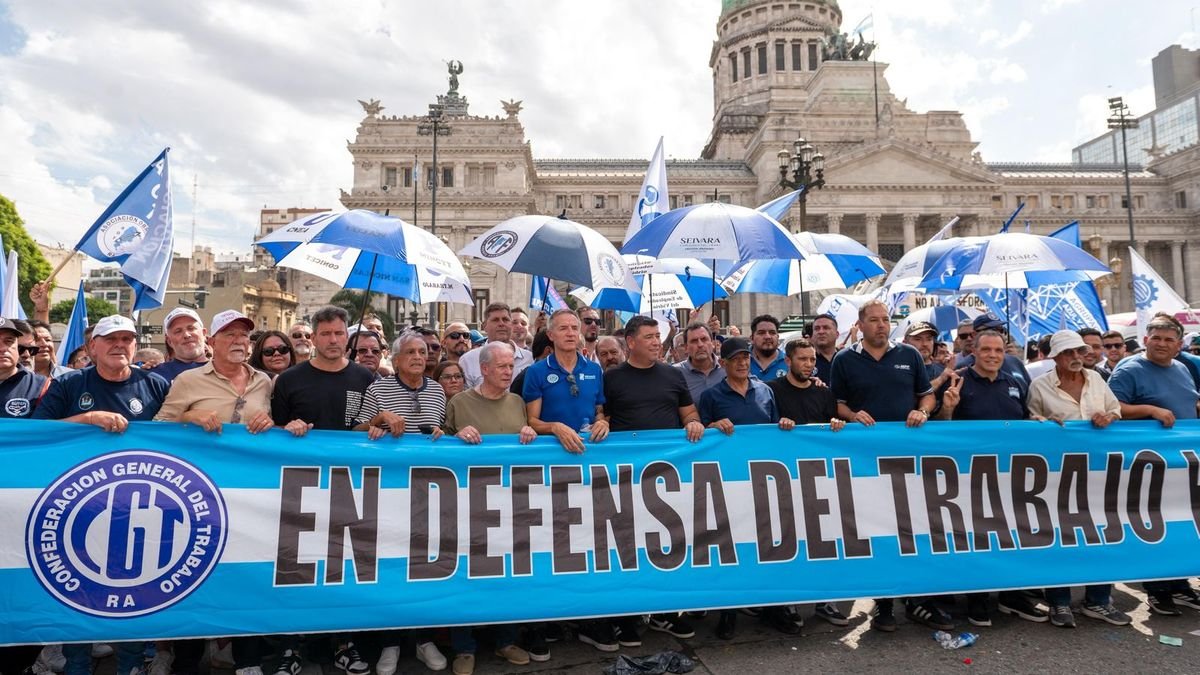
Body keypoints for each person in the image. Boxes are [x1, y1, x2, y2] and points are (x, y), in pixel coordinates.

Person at [32, 315, 169, 675]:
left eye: (127, 339)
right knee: (78, 591)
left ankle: (132, 665)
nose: (120, 345)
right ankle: (77, 665)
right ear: (92, 346)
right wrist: (87, 419)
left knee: (138, 593)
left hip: (140, 511)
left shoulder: (154, 385)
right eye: (110, 339)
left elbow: (178, 436)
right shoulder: (69, 384)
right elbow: (36, 434)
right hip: (78, 508)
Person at [153, 310, 274, 674]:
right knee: (196, 576)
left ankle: (248, 660)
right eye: (230, 335)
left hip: (250, 498)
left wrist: (272, 424)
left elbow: (273, 428)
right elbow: (158, 427)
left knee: (247, 577)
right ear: (212, 342)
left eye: (244, 336)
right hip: (199, 499)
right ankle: (188, 661)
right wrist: (189, 417)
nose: (239, 341)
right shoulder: (188, 381)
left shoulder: (264, 381)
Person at [829, 300, 944, 633]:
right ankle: (884, 604)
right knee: (879, 531)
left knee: (913, 529)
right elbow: (837, 404)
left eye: (886, 320)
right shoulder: (844, 359)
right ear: (861, 325)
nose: (881, 325)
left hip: (908, 457)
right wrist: (851, 415)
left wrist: (922, 411)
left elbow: (927, 396)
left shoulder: (908, 355)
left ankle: (917, 600)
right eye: (874, 320)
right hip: (866, 460)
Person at [937, 330, 1049, 627]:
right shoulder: (957, 380)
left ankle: (1012, 596)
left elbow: (1021, 419)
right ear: (973, 350)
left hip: (1008, 476)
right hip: (969, 477)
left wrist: (1035, 422)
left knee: (1011, 537)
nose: (992, 355)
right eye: (986, 349)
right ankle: (978, 599)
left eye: (998, 350)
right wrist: (947, 409)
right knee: (975, 540)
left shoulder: (1013, 382)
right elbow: (938, 430)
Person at [603, 315, 704, 644]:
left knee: (667, 544)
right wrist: (600, 421)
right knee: (628, 546)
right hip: (624, 476)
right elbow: (600, 414)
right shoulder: (612, 378)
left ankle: (664, 612)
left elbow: (688, 412)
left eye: (658, 336)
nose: (656, 341)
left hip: (665, 477)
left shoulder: (673, 375)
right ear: (630, 342)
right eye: (648, 336)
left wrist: (693, 423)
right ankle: (627, 617)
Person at [521, 309, 611, 656]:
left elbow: (600, 411)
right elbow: (531, 420)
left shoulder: (594, 370)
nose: (572, 333)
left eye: (576, 327)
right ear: (551, 335)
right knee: (551, 542)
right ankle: (543, 623)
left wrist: (604, 423)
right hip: (550, 471)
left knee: (588, 542)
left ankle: (588, 620)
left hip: (588, 470)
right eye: (564, 328)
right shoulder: (536, 373)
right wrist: (556, 427)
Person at [1025, 330, 1129, 628]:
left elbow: (1115, 409)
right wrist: (1041, 424)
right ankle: (1059, 602)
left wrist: (1109, 417)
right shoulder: (1040, 386)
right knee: (1060, 535)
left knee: (1103, 533)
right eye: (1068, 353)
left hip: (1099, 471)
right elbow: (1031, 419)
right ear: (1055, 357)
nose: (1074, 358)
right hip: (1058, 474)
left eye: (1078, 352)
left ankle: (1099, 600)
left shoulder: (1096, 379)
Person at [442, 340, 534, 674]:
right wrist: (456, 437)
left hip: (509, 504)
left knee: (506, 573)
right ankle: (464, 648)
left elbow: (524, 442)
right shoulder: (459, 402)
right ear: (483, 369)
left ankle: (505, 641)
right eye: (502, 366)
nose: (509, 372)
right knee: (466, 574)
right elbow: (437, 445)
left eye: (511, 366)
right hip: (467, 504)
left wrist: (528, 431)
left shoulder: (518, 402)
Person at [697, 336, 798, 639]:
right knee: (732, 548)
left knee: (767, 546)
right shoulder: (712, 396)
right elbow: (698, 435)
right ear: (723, 363)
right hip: (728, 482)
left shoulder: (765, 391)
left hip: (763, 481)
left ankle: (771, 609)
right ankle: (728, 612)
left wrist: (785, 426)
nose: (742, 363)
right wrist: (713, 427)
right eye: (736, 359)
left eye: (746, 358)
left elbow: (775, 427)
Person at [1107, 314, 1200, 616]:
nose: (1161, 344)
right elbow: (1111, 408)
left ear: (1178, 345)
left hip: (1183, 464)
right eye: (1155, 338)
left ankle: (1180, 584)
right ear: (1145, 340)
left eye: (1168, 339)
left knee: (1181, 523)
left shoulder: (1183, 368)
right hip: (1147, 465)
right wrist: (1149, 409)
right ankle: (1157, 590)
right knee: (1153, 526)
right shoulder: (1129, 369)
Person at [766, 337, 848, 629]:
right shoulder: (772, 391)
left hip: (818, 477)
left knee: (822, 540)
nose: (809, 365)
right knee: (788, 540)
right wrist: (778, 426)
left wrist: (837, 425)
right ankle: (787, 603)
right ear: (787, 361)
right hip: (783, 480)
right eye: (803, 359)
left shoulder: (824, 393)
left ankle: (824, 600)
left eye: (812, 360)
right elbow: (761, 425)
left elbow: (833, 425)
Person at [458, 303, 534, 387]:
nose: (501, 324)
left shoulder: (529, 359)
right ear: (485, 326)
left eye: (505, 319)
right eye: (495, 320)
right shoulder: (468, 360)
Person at [0, 318, 48, 419]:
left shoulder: (43, 386)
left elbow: (50, 429)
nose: (3, 348)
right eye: (22, 348)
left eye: (9, 341)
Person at [156, 307, 209, 383]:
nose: (186, 335)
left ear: (204, 333)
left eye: (191, 328)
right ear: (169, 341)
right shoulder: (156, 375)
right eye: (178, 331)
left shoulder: (224, 371)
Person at [676, 322, 724, 401]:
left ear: (712, 343)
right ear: (686, 347)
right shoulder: (676, 373)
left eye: (704, 339)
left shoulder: (727, 368)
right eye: (694, 341)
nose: (700, 345)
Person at [749, 314, 786, 382]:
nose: (767, 337)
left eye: (772, 333)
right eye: (761, 333)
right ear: (752, 338)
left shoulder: (790, 362)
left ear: (778, 337)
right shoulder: (741, 361)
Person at [810, 313, 840, 383]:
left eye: (826, 328)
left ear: (837, 334)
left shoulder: (846, 360)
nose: (821, 332)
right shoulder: (805, 361)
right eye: (817, 329)